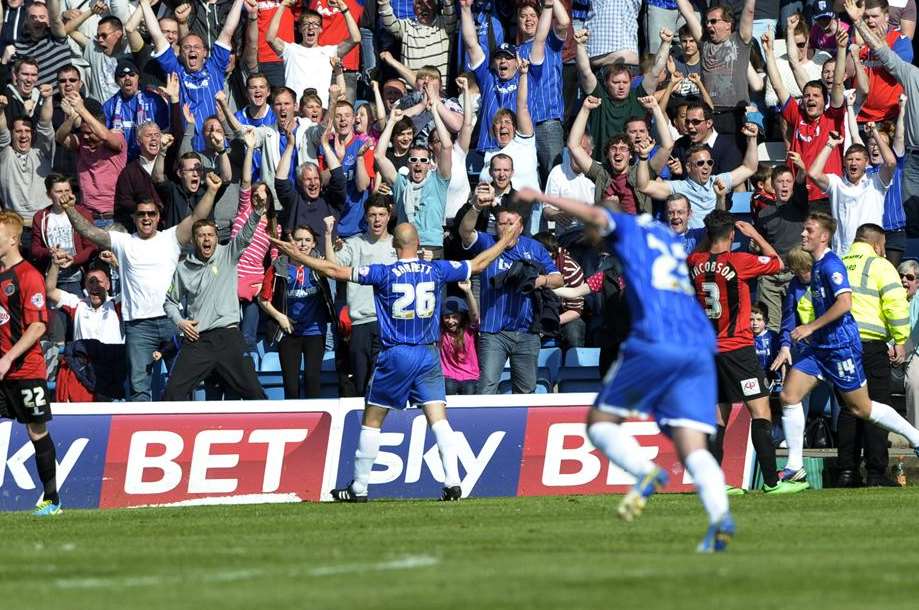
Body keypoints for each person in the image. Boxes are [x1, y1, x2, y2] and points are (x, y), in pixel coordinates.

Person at [516, 187, 734, 552]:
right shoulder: (665, 234)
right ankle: (721, 521)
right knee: (692, 444)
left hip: (656, 338)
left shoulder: (626, 228)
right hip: (697, 342)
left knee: (600, 424)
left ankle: (645, 471)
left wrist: (541, 196)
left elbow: (599, 216)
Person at [269, 220, 520, 502]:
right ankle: (452, 481)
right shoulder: (436, 269)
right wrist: (506, 238)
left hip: (396, 353)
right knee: (438, 421)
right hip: (428, 353)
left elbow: (334, 270)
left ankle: (359, 488)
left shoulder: (384, 273)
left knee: (372, 420)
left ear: (394, 245)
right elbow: (479, 263)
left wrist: (298, 255)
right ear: (417, 244)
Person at [778, 212, 919, 484]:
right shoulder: (818, 265)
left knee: (861, 409)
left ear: (824, 236)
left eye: (809, 230)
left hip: (841, 346)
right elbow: (810, 302)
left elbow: (845, 303)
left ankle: (915, 438)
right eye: (804, 229)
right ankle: (795, 466)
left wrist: (809, 327)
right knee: (788, 396)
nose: (803, 234)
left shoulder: (833, 265)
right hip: (820, 347)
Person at [61, 174, 221, 401]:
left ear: (158, 217)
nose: (146, 218)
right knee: (138, 387)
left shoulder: (171, 237)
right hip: (138, 326)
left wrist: (212, 190)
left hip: (172, 321)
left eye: (151, 214)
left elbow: (197, 216)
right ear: (134, 218)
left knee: (182, 385)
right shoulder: (122, 241)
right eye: (141, 214)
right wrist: (70, 209)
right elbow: (89, 231)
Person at [687, 209, 806, 495]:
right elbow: (779, 264)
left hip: (708, 352)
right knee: (760, 410)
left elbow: (705, 251)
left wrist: (710, 237)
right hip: (738, 350)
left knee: (718, 418)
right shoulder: (740, 261)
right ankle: (772, 482)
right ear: (732, 235)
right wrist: (754, 235)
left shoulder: (694, 261)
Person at [162, 179, 267, 401]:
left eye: (210, 235)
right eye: (201, 235)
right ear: (193, 240)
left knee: (255, 393)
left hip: (228, 336)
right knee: (172, 393)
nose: (206, 239)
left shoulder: (227, 254)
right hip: (198, 340)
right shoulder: (183, 268)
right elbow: (169, 302)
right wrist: (180, 322)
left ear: (216, 238)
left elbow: (245, 235)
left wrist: (257, 211)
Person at [458, 200, 563, 394]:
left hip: (527, 331)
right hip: (493, 332)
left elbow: (559, 279)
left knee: (526, 390)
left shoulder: (534, 248)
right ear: (495, 225)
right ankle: (483, 425)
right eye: (501, 223)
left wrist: (538, 281)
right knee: (486, 388)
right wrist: (476, 207)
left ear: (521, 226)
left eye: (511, 223)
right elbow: (465, 231)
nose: (506, 228)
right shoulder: (487, 243)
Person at [836, 224, 910, 487]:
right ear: (878, 244)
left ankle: (846, 472)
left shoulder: (837, 263)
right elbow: (896, 304)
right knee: (877, 407)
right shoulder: (880, 265)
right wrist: (900, 339)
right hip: (870, 346)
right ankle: (876, 473)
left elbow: (811, 301)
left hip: (841, 346)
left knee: (848, 409)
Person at [0, 211, 60, 516]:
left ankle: (52, 500)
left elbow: (37, 327)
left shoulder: (28, 277)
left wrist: (8, 357)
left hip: (25, 370)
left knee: (36, 431)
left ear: (12, 239)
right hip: (2, 371)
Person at [325, 196, 397, 395]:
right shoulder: (354, 244)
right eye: (372, 215)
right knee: (360, 385)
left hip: (388, 324)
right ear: (365, 217)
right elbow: (332, 268)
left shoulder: (397, 246)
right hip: (359, 325)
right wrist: (327, 235)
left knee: (382, 385)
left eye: (381, 215)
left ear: (389, 216)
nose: (377, 220)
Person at [259, 224, 332, 399]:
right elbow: (263, 299)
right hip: (289, 332)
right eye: (298, 240)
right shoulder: (278, 267)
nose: (303, 244)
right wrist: (280, 316)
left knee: (312, 379)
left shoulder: (320, 264)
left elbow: (334, 269)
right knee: (291, 385)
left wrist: (329, 235)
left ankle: (315, 424)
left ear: (314, 243)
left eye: (307, 240)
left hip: (315, 331)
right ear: (291, 243)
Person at [807, 127, 896, 255]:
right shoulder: (836, 183)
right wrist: (830, 144)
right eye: (849, 159)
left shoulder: (876, 181)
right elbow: (813, 173)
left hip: (870, 254)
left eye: (858, 159)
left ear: (867, 162)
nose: (853, 163)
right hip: (842, 254)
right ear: (844, 162)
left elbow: (891, 163)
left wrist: (875, 133)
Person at [440, 282, 479, 395]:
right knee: (449, 387)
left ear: (461, 317)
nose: (451, 321)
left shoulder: (469, 330)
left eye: (455, 317)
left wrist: (468, 291)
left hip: (469, 376)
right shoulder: (441, 332)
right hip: (449, 376)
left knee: (469, 389)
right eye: (447, 317)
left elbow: (475, 315)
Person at [901, 258, 919, 427]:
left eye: (909, 277)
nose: (904, 280)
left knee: (915, 382)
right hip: (894, 352)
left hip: (914, 351)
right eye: (901, 276)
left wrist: (902, 350)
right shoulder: (893, 298)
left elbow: (916, 334)